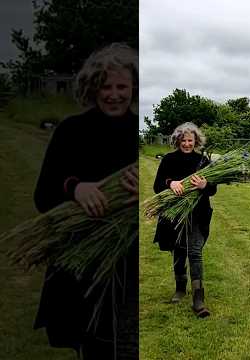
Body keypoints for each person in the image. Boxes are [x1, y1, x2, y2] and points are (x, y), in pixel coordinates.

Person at [33, 43, 139, 359]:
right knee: (95, 345)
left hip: (131, 262)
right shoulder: (71, 131)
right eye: (106, 86)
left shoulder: (140, 132)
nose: (114, 94)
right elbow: (43, 195)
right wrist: (76, 189)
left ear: (135, 87)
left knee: (130, 343)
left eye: (122, 86)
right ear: (92, 88)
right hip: (85, 263)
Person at [153, 122, 217, 318]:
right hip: (175, 213)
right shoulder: (169, 159)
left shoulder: (203, 161)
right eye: (183, 140)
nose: (187, 144)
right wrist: (170, 183)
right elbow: (157, 185)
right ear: (177, 140)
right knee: (179, 250)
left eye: (190, 140)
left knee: (195, 252)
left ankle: (198, 297)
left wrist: (205, 184)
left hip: (198, 213)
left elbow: (213, 189)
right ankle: (180, 288)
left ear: (196, 141)